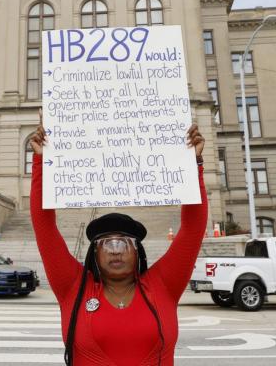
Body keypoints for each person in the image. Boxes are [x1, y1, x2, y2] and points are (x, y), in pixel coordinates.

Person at [30, 123, 208, 366]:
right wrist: (41, 161)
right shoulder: (74, 287)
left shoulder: (163, 286)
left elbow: (192, 229)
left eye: (124, 243)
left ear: (138, 252)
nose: (115, 250)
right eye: (105, 244)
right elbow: (45, 228)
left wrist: (193, 164)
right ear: (94, 253)